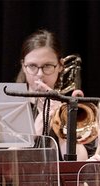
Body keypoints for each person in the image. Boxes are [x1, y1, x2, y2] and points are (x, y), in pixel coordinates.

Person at [16, 29, 90, 160]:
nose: (39, 74)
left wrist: (62, 122)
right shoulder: (10, 105)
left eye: (47, 66)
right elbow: (2, 164)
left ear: (60, 65)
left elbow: (80, 162)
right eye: (32, 66)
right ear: (23, 66)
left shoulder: (66, 106)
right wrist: (33, 133)